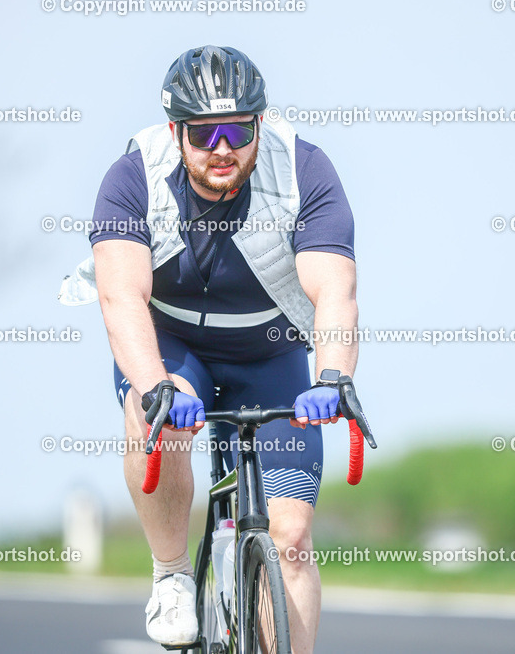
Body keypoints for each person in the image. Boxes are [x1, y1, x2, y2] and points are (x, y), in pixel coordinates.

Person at [85, 45, 357, 653]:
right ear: (175, 132)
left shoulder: (304, 170)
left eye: (238, 130)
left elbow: (335, 292)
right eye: (205, 134)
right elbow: (121, 298)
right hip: (172, 343)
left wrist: (333, 376)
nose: (223, 148)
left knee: (291, 539)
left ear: (261, 123)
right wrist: (154, 386)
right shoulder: (133, 176)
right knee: (157, 413)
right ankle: (171, 574)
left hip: (269, 350)